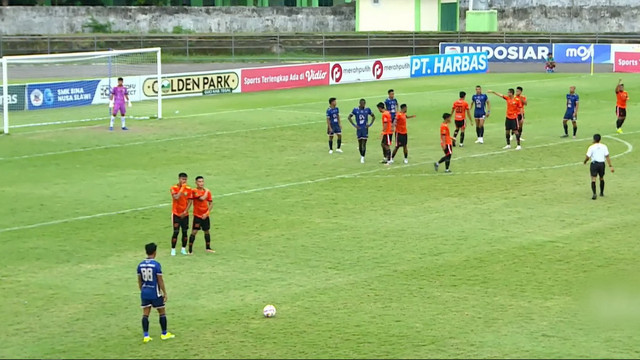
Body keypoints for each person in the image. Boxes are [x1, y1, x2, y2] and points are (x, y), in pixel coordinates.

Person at [137, 242, 175, 343]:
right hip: (155, 292)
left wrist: (142, 290)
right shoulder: (156, 265)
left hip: (145, 292)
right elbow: (160, 280)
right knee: (162, 312)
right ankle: (164, 333)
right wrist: (165, 293)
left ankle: (146, 336)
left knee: (145, 314)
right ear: (155, 252)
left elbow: (139, 280)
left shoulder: (140, 265)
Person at [188, 176, 214, 254]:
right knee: (194, 232)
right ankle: (190, 250)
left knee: (207, 231)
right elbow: (202, 198)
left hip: (205, 216)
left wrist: (207, 213)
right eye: (199, 182)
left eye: (202, 181)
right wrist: (206, 191)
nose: (201, 183)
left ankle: (208, 248)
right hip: (197, 216)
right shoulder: (194, 191)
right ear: (196, 183)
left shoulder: (207, 192)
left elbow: (211, 203)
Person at [583, 134, 614, 200]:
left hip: (594, 164)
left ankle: (594, 193)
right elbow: (607, 156)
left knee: (593, 179)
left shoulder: (591, 147)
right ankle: (601, 193)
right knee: (601, 178)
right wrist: (610, 166)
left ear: (594, 139)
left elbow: (588, 157)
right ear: (600, 139)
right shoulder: (604, 146)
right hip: (602, 164)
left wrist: (585, 161)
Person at [170, 173, 192, 256]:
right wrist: (182, 188)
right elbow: (176, 197)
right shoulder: (173, 188)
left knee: (185, 232)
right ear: (179, 179)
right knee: (176, 232)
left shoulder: (189, 189)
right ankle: (173, 249)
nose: (184, 181)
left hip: (185, 214)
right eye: (182, 179)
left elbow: (190, 201)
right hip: (176, 213)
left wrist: (185, 211)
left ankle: (183, 249)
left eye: (185, 179)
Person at [347, 99, 375, 163]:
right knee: (360, 143)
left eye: (364, 103)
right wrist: (354, 125)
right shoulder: (355, 110)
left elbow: (373, 116)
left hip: (365, 129)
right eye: (362, 103)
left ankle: (363, 157)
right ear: (360, 103)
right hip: (359, 129)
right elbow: (349, 117)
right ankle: (361, 155)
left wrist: (370, 124)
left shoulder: (367, 109)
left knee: (364, 143)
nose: (363, 105)